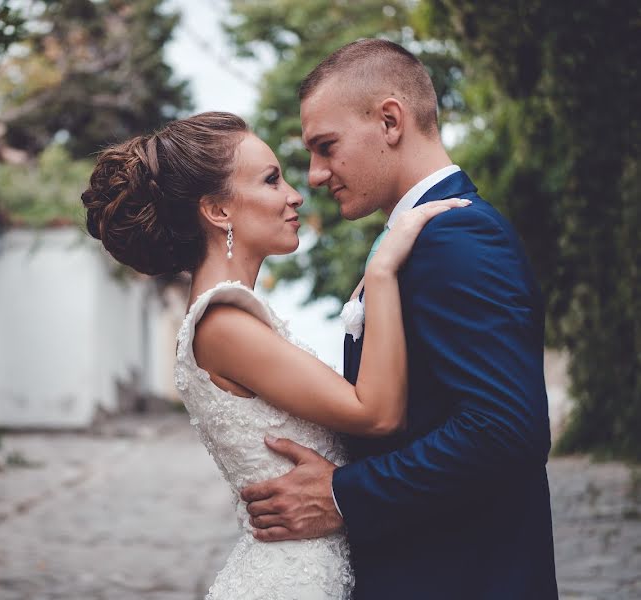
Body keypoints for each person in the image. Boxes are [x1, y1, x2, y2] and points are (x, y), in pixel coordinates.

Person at [81, 110, 467, 599]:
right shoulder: (224, 324)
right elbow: (377, 414)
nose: (295, 194)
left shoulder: (236, 320)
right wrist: (385, 267)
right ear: (218, 211)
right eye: (270, 180)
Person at [239, 39, 559, 599]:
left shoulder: (458, 237)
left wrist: (342, 495)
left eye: (326, 146)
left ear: (390, 121)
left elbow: (505, 430)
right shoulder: (420, 239)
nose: (314, 175)